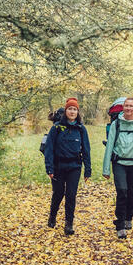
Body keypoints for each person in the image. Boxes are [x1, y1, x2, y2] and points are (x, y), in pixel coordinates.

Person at [102, 97, 133, 239]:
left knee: (130, 191)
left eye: (131, 106)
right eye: (126, 106)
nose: (128, 108)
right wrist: (106, 169)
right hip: (119, 164)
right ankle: (120, 224)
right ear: (123, 108)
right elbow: (109, 146)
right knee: (122, 191)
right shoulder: (116, 125)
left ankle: (129, 215)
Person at [43, 98, 91, 235]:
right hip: (58, 166)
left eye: (75, 109)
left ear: (78, 112)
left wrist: (88, 169)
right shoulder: (57, 128)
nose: (72, 111)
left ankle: (69, 224)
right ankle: (52, 216)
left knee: (71, 195)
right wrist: (49, 168)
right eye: (70, 109)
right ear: (66, 111)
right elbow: (49, 149)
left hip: (74, 166)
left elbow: (86, 150)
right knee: (58, 193)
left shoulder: (81, 129)